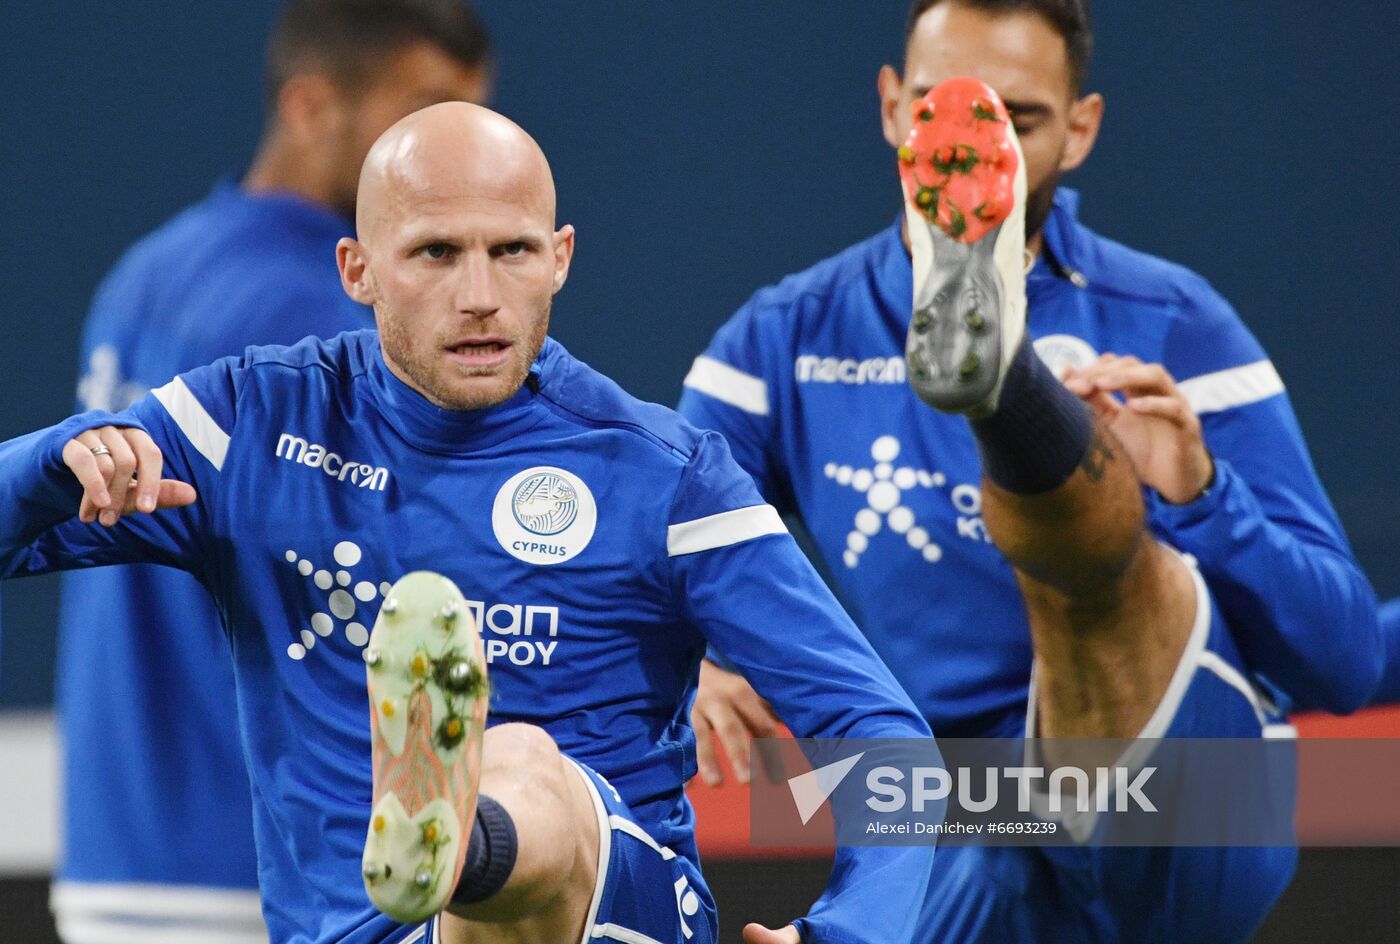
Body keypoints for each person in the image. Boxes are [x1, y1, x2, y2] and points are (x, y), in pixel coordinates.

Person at [1, 102, 936, 944]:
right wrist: (55, 466)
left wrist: (851, 930)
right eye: (437, 253)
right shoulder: (252, 425)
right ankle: (440, 859)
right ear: (358, 270)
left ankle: (455, 844)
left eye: (513, 251)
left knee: (520, 762)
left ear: (561, 257)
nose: (481, 294)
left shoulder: (665, 477)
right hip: (368, 935)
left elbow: (881, 730)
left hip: (615, 916)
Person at [680, 1, 1380, 940]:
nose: (976, 153)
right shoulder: (782, 337)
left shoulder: (1175, 322)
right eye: (943, 115)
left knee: (1102, 575)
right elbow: (649, 556)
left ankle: (1003, 384)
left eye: (1018, 119)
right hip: (955, 807)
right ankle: (1009, 385)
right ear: (892, 108)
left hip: (1185, 798)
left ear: (1081, 129)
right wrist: (689, 652)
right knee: (947, 818)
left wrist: (1207, 498)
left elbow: (1344, 662)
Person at [51, 3, 492, 941]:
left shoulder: (146, 273)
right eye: (418, 112)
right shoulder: (324, 323)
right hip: (264, 879)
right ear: (308, 105)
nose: (449, 158)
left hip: (113, 863)